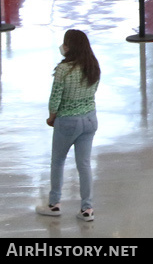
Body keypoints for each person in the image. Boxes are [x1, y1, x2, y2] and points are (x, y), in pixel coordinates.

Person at [37, 30, 100, 222]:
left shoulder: (64, 69)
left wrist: (51, 117)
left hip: (67, 121)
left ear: (69, 47)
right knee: (84, 164)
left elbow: (55, 97)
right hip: (89, 120)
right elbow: (93, 91)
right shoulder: (93, 66)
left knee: (58, 161)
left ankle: (54, 204)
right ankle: (87, 209)